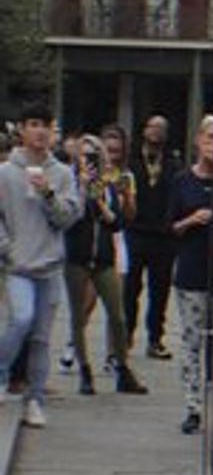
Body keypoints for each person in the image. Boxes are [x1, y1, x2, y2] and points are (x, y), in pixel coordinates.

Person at [0, 103, 83, 430]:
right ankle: (3, 371)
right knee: (21, 318)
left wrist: (49, 195)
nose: (40, 131)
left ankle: (35, 398)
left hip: (49, 266)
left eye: (45, 125)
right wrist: (7, 249)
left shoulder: (61, 174)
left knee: (41, 338)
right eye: (33, 124)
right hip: (18, 264)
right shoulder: (6, 173)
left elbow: (69, 217)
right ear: (22, 129)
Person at [65, 133, 145, 395]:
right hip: (76, 256)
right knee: (78, 317)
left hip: (103, 257)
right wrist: (81, 188)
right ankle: (85, 370)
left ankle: (122, 366)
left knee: (118, 315)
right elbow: (68, 218)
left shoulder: (106, 186)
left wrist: (100, 201)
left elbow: (117, 222)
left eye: (94, 155)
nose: (89, 160)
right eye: (84, 155)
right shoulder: (69, 182)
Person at [168, 116, 213, 435]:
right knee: (192, 341)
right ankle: (193, 405)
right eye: (209, 137)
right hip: (191, 271)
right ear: (197, 140)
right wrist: (191, 220)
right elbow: (169, 226)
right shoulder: (182, 181)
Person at [122, 113, 183, 361]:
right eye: (152, 127)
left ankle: (155, 338)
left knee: (160, 290)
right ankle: (125, 336)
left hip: (163, 236)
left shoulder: (174, 164)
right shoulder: (131, 162)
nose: (156, 132)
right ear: (144, 131)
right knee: (130, 288)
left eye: (161, 128)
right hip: (136, 232)